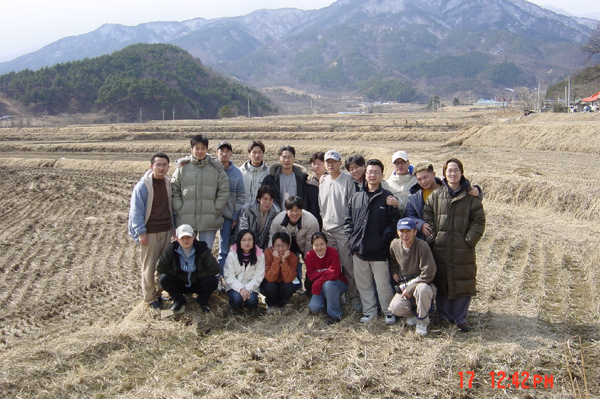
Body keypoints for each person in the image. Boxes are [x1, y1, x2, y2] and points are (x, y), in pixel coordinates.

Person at [423, 158, 486, 332]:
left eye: (456, 170)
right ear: (444, 174)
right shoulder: (436, 196)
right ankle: (444, 316)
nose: (452, 173)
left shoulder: (470, 197)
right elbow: (427, 217)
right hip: (440, 247)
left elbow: (479, 221)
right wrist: (433, 239)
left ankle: (460, 318)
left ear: (461, 172)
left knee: (462, 280)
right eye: (449, 170)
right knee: (442, 280)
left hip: (462, 248)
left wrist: (469, 240)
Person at [345, 159, 401, 324]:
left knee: (383, 284)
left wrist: (383, 240)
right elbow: (348, 221)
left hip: (379, 250)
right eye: (370, 172)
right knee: (363, 284)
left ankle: (388, 312)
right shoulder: (356, 197)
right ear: (365, 174)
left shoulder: (387, 197)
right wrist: (352, 238)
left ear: (382, 175)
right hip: (359, 250)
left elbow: (393, 222)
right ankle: (369, 312)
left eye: (376, 172)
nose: (372, 175)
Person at [128, 152, 175, 309]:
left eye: (164, 165)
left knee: (163, 266)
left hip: (166, 230)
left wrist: (173, 230)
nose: (161, 168)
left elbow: (170, 209)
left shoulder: (168, 183)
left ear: (168, 167)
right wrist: (141, 232)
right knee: (149, 266)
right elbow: (136, 211)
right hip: (150, 232)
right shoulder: (143, 185)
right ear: (151, 166)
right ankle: (149, 298)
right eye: (158, 165)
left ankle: (160, 293)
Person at [171, 134, 229, 249]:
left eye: (203, 148)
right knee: (185, 252)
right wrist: (179, 208)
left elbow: (224, 191)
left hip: (209, 219)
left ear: (207, 149)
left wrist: (216, 209)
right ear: (191, 149)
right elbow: (174, 189)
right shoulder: (182, 168)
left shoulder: (216, 168)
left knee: (204, 253)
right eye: (197, 148)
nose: (200, 151)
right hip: (186, 218)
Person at [319, 150, 360, 310]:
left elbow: (353, 206)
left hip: (343, 231)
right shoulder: (323, 181)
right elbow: (321, 206)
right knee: (332, 268)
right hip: (327, 231)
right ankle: (338, 296)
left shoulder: (348, 180)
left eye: (333, 162)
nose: (330, 165)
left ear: (340, 163)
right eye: (327, 162)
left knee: (349, 267)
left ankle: (355, 298)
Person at [405, 161, 481, 240]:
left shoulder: (449, 188)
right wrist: (420, 224)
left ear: (434, 174)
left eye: (425, 177)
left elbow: (465, 190)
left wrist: (478, 191)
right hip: (427, 240)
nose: (423, 182)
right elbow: (409, 216)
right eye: (419, 179)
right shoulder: (414, 198)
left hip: (454, 238)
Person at [388, 218, 437, 336]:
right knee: (395, 307)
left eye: (408, 231)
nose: (405, 235)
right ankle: (414, 315)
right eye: (402, 231)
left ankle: (422, 321)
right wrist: (394, 271)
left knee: (422, 289)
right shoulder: (394, 244)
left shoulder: (422, 246)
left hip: (423, 283)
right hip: (405, 284)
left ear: (415, 232)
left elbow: (429, 272)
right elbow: (393, 260)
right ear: (397, 232)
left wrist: (411, 287)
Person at [156, 224, 220, 312]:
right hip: (180, 282)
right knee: (163, 279)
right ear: (177, 239)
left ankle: (202, 300)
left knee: (213, 280)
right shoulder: (171, 249)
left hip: (197, 282)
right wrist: (178, 275)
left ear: (193, 237)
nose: (186, 240)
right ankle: (178, 300)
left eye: (188, 237)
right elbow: (160, 267)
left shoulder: (202, 249)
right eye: (182, 237)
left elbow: (215, 268)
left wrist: (198, 276)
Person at [269, 196, 320, 290]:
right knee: (289, 263)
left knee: (311, 262)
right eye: (291, 210)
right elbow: (272, 238)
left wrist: (308, 259)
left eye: (297, 210)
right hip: (286, 245)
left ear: (302, 209)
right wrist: (273, 254)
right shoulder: (278, 220)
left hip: (304, 244)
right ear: (286, 210)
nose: (294, 213)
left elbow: (311, 245)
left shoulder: (311, 221)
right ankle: (295, 286)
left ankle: (310, 287)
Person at [305, 232, 348, 324]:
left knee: (329, 284)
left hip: (337, 282)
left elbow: (334, 273)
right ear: (312, 245)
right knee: (314, 307)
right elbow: (311, 276)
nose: (319, 248)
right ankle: (331, 301)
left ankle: (335, 315)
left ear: (326, 243)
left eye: (322, 244)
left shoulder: (332, 252)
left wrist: (320, 277)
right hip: (320, 286)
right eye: (316, 245)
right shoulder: (309, 256)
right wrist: (326, 273)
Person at [216, 140, 246, 271]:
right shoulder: (211, 169)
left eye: (227, 151)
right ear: (216, 153)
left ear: (232, 153)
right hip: (211, 215)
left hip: (228, 216)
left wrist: (235, 214)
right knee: (205, 247)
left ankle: (223, 275)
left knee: (225, 248)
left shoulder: (237, 173)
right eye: (221, 151)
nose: (224, 154)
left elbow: (241, 196)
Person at [223, 229, 265, 315]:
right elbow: (229, 276)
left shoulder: (260, 256)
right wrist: (241, 288)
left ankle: (249, 308)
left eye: (250, 240)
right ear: (239, 241)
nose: (247, 243)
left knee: (252, 301)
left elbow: (258, 276)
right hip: (234, 286)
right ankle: (234, 307)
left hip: (251, 287)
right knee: (237, 298)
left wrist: (247, 289)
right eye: (244, 240)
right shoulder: (232, 255)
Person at [261, 232, 299, 314]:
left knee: (289, 286)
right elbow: (270, 278)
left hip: (283, 282)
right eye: (277, 246)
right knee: (270, 286)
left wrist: (284, 261)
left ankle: (281, 304)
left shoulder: (293, 257)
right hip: (269, 282)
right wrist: (276, 260)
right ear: (273, 246)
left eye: (283, 245)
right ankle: (270, 304)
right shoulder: (266, 254)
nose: (281, 249)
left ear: (288, 246)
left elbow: (288, 279)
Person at [262, 145, 308, 209]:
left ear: (294, 159)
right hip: (276, 216)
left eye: (289, 157)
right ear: (279, 159)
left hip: (296, 215)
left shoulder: (302, 179)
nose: (287, 160)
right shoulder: (270, 179)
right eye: (284, 157)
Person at [236, 185, 281, 250]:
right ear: (259, 199)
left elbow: (273, 234)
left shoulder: (276, 212)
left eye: (270, 200)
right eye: (265, 199)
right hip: (246, 245)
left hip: (264, 247)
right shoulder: (246, 210)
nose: (268, 203)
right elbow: (243, 231)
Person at [240, 140, 270, 205]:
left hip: (261, 211)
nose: (257, 155)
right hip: (242, 211)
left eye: (260, 152)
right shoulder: (240, 172)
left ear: (263, 154)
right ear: (249, 154)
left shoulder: (268, 173)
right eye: (254, 152)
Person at [306, 151, 326, 229]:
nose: (316, 166)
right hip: (313, 221)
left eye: (319, 164)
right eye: (314, 164)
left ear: (325, 164)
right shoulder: (308, 184)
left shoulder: (331, 181)